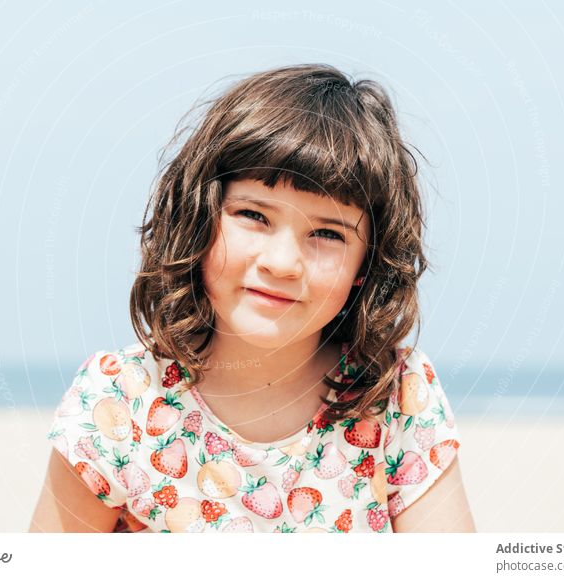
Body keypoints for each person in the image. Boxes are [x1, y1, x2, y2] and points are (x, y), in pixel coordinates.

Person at [30, 63, 476, 533]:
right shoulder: (120, 402)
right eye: (254, 216)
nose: (282, 262)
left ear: (367, 266)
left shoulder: (396, 397)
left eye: (326, 233)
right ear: (199, 216)